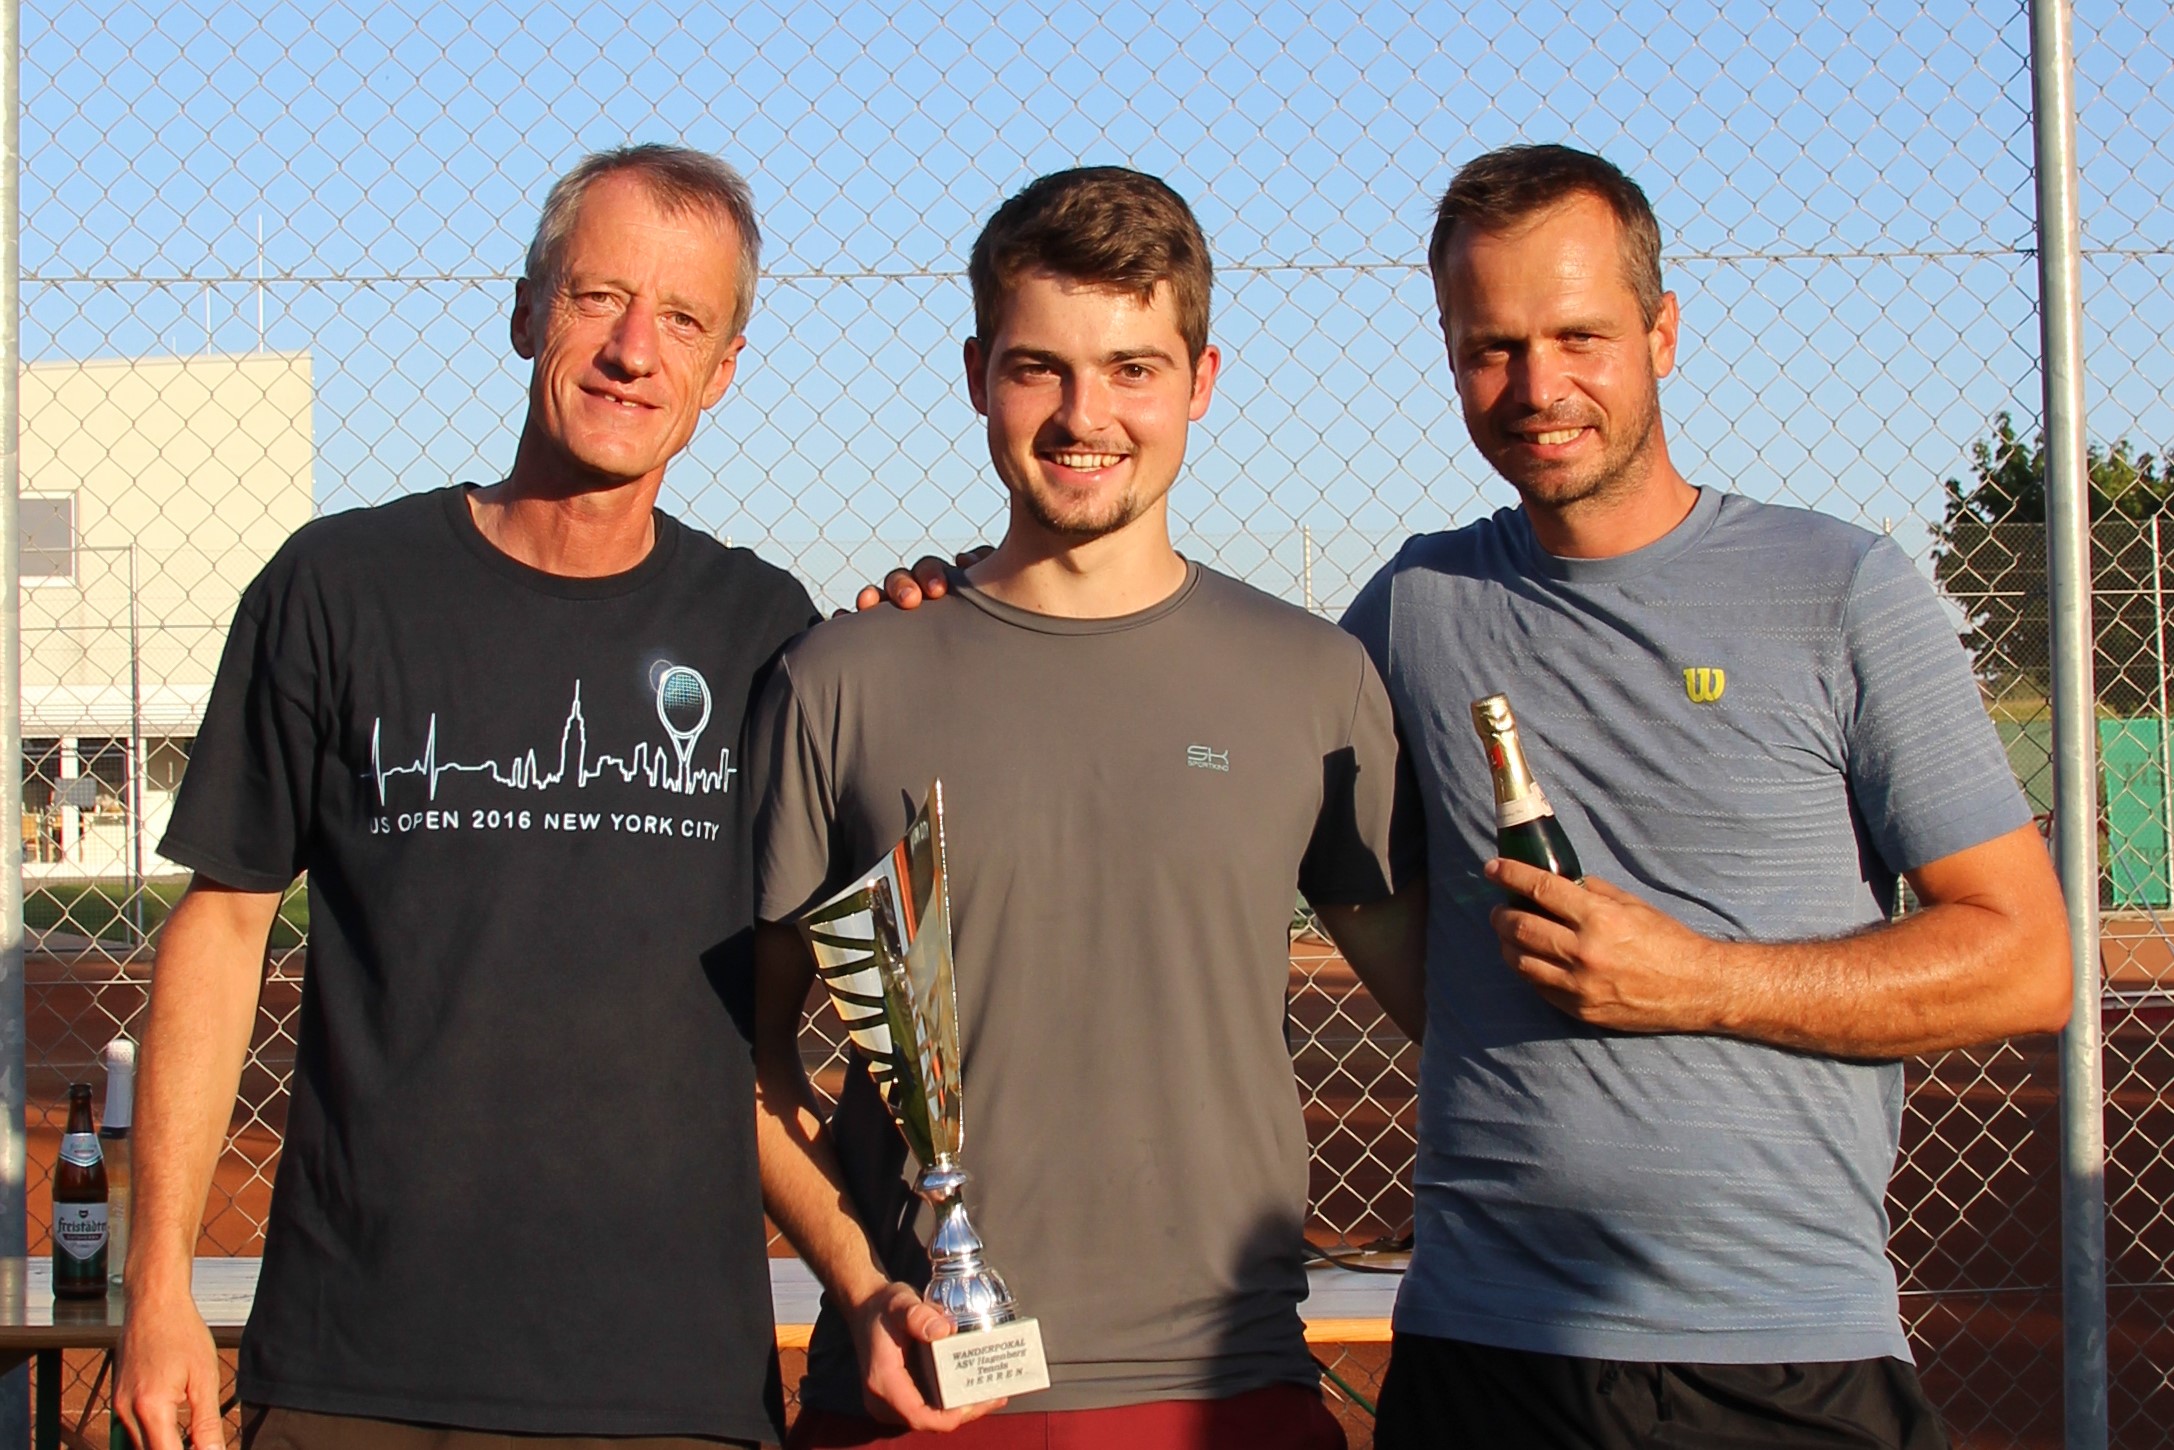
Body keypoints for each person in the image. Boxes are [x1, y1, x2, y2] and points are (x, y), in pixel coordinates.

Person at [1339, 144, 2071, 1448]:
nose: (1536, 386)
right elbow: (1222, 735)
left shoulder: (1840, 587)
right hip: (1483, 1357)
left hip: (1784, 1354)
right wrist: (969, 592)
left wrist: (1697, 980)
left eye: (1578, 335)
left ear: (1661, 333)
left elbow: (2024, 959)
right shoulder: (1414, 606)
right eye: (1489, 346)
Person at [115, 144, 817, 1450]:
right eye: (596, 296)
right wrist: (157, 1284)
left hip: (665, 1389)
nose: (630, 351)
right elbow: (221, 928)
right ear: (523, 310)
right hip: (354, 1372)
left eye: (682, 318)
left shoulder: (767, 629)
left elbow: (813, 996)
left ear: (722, 373)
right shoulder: (335, 587)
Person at [749, 166, 1425, 1450]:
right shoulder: (842, 678)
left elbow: (1444, 997)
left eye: (1131, 367)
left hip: (1226, 1385)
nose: (1082, 414)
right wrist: (864, 1282)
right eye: (1037, 367)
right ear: (973, 372)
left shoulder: (1314, 678)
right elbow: (747, 1051)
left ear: (1200, 381)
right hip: (921, 1389)